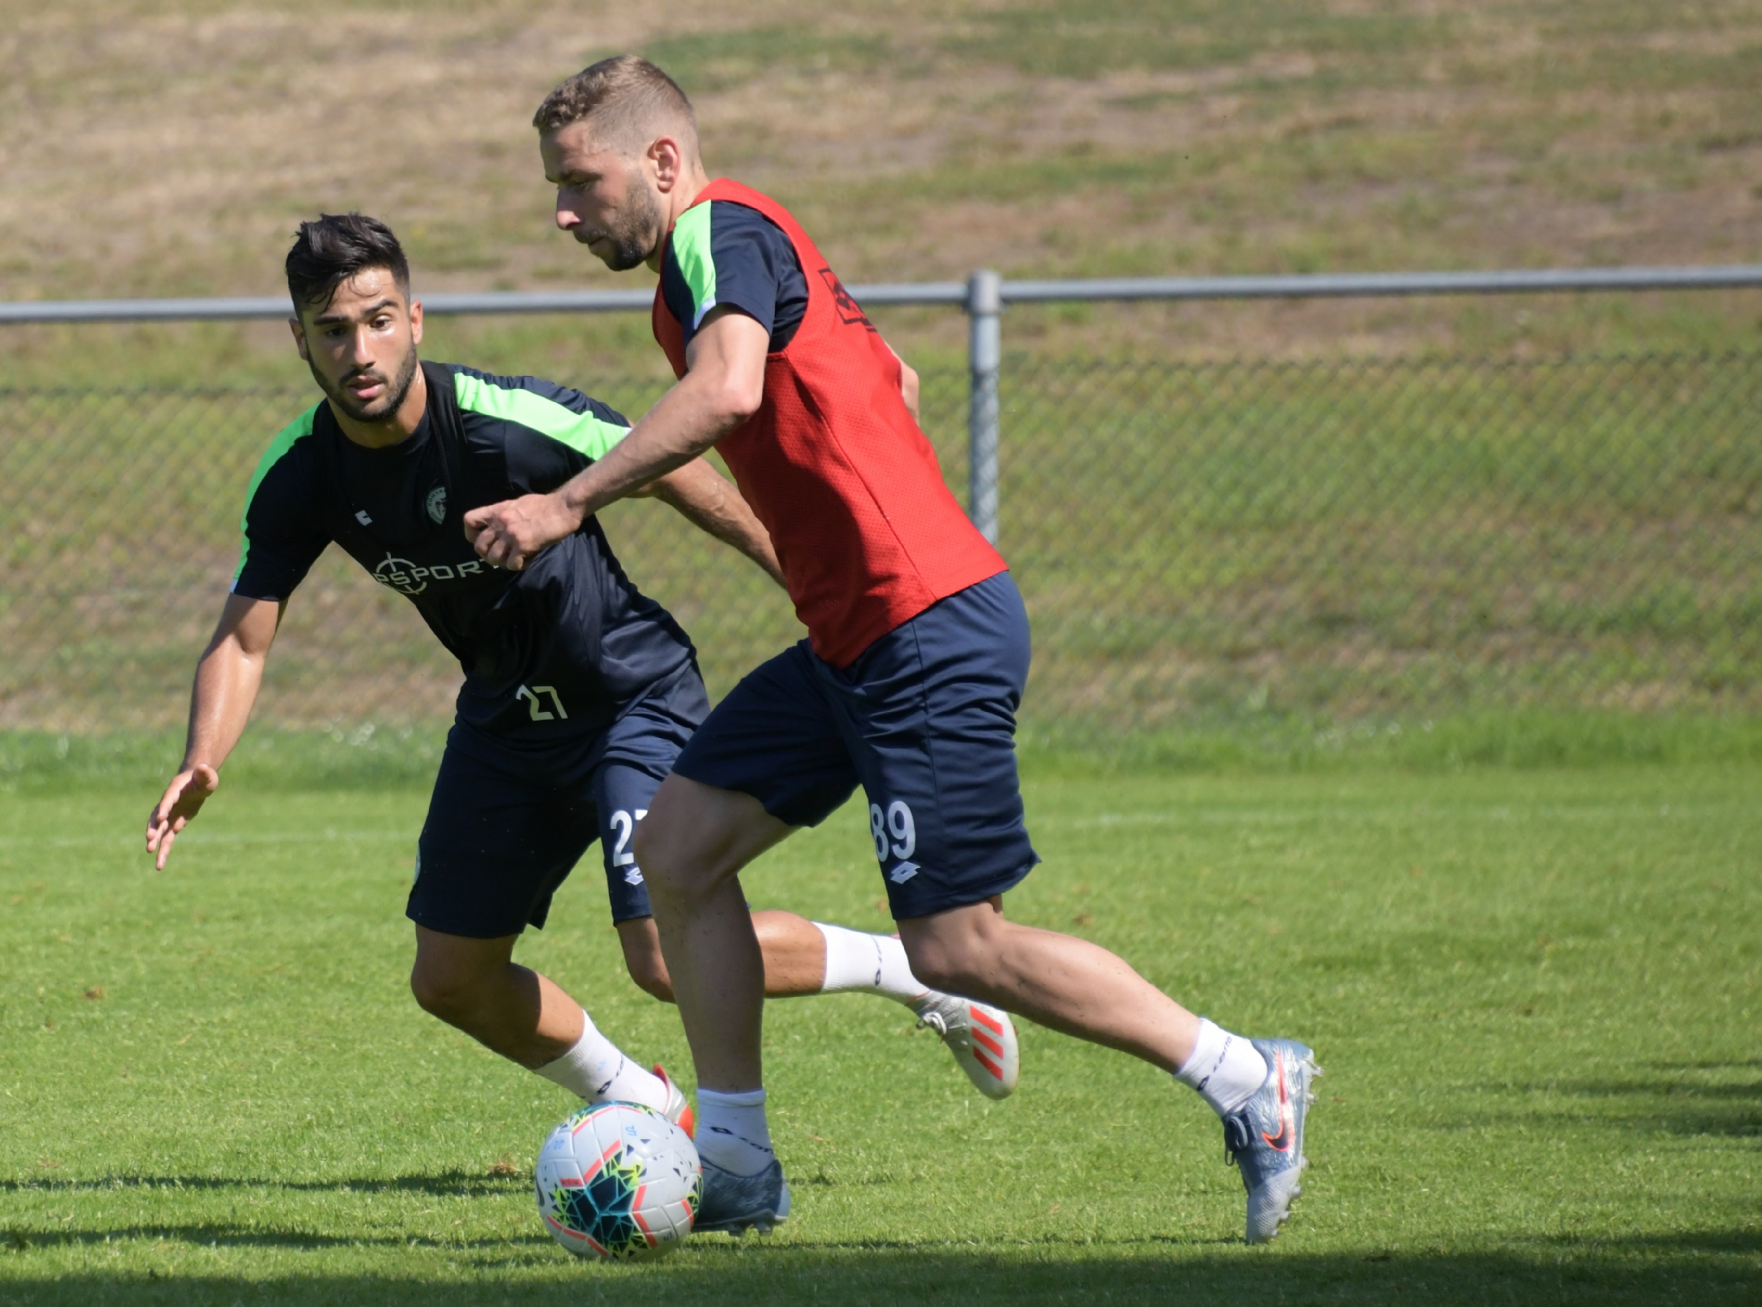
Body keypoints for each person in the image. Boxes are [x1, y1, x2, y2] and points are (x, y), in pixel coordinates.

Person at [464, 57, 1319, 1242]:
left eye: (579, 182)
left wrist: (564, 502)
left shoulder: (717, 229)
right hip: (852, 635)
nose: (563, 212)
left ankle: (1246, 1077)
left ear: (660, 161)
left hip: (919, 625)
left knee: (957, 943)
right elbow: (890, 376)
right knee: (676, 849)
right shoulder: (714, 261)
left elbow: (728, 391)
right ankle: (736, 1159)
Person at [145, 213, 1021, 1144]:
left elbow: (682, 475)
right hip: (504, 721)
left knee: (659, 954)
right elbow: (244, 640)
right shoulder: (300, 473)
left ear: (416, 319)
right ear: (299, 339)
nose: (359, 351)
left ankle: (911, 973)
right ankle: (642, 1100)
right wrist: (203, 756)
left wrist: (818, 588)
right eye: (332, 330)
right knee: (451, 977)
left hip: (630, 693)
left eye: (379, 320)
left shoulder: (505, 422)